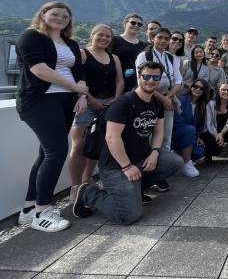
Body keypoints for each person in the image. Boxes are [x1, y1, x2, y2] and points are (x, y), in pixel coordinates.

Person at [72, 61, 183, 225]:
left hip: (140, 159)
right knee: (128, 215)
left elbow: (159, 132)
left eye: (155, 77)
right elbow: (111, 137)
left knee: (174, 162)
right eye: (146, 76)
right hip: (116, 165)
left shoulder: (156, 103)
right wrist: (126, 166)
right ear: (139, 76)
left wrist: (155, 152)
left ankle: (135, 190)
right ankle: (88, 193)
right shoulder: (124, 102)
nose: (151, 80)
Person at [16, 1, 88, 232]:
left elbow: (80, 73)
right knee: (56, 152)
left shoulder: (71, 43)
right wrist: (76, 88)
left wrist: (82, 95)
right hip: (39, 100)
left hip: (66, 102)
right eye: (54, 14)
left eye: (65, 16)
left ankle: (28, 209)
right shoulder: (31, 36)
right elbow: (40, 70)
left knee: (45, 153)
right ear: (43, 14)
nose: (59, 18)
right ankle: (42, 212)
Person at [69, 24, 124, 203]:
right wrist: (90, 99)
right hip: (85, 103)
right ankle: (75, 186)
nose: (104, 39)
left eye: (108, 36)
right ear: (92, 35)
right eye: (100, 35)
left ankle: (87, 178)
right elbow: (75, 78)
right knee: (79, 144)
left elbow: (119, 81)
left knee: (97, 143)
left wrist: (116, 99)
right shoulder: (83, 54)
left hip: (109, 103)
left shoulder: (113, 57)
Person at [136, 28, 183, 191]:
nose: (163, 41)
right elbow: (142, 80)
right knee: (147, 137)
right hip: (149, 99)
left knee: (165, 137)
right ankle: (145, 173)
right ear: (153, 38)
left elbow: (178, 81)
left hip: (167, 99)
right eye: (160, 38)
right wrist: (163, 99)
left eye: (166, 38)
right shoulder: (144, 56)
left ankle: (160, 175)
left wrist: (168, 97)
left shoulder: (171, 57)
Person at [171, 78, 211, 176]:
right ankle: (186, 163)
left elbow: (200, 126)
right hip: (176, 136)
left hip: (190, 137)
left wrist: (197, 137)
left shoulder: (202, 105)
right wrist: (192, 136)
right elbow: (178, 123)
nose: (198, 89)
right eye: (195, 86)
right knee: (190, 129)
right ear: (191, 87)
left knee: (200, 153)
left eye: (201, 88)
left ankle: (179, 156)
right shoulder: (181, 100)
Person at [201, 83, 228, 167]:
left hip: (225, 130)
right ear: (218, 91)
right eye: (223, 89)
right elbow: (209, 124)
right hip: (211, 131)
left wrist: (221, 134)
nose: (226, 91)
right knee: (215, 150)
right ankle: (208, 155)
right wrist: (217, 135)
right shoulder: (211, 104)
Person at [111, 13, 147, 92]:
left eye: (139, 24)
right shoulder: (114, 40)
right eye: (133, 22)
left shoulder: (143, 45)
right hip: (116, 83)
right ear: (125, 23)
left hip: (136, 85)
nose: (136, 25)